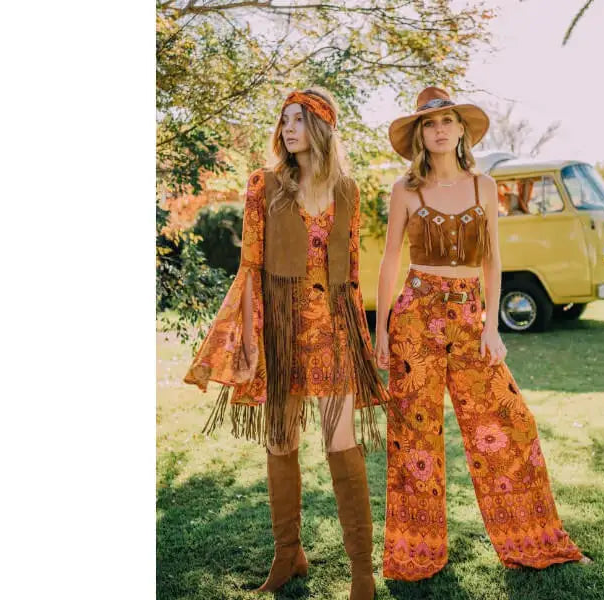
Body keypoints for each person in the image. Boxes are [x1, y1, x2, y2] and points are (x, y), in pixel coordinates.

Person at [374, 86, 590, 581]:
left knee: (512, 424)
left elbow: (492, 260)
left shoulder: (483, 187)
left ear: (462, 130)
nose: (440, 130)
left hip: (471, 316)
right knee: (414, 439)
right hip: (415, 315)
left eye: (448, 121)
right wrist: (383, 329)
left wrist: (491, 325)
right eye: (430, 124)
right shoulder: (404, 189)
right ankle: (415, 557)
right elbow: (390, 260)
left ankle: (533, 541)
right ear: (420, 135)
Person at [183, 87, 387, 599]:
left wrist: (361, 342)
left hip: (334, 330)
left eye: (298, 119)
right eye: (284, 120)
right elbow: (250, 267)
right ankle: (288, 555)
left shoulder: (347, 191)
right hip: (280, 328)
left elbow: (353, 274)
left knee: (341, 443)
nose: (288, 128)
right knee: (281, 441)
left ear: (321, 127)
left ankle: (362, 571)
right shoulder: (265, 185)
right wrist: (251, 341)